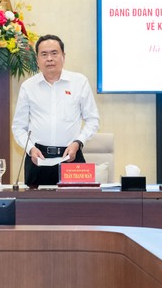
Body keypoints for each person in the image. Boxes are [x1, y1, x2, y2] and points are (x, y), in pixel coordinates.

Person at [11, 35, 100, 188]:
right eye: (44, 54)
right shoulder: (28, 86)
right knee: (35, 210)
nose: (49, 59)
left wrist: (78, 143)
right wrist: (31, 148)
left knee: (75, 208)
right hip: (37, 158)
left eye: (54, 53)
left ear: (63, 56)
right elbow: (18, 126)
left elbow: (93, 120)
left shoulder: (79, 82)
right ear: (37, 60)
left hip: (71, 157)